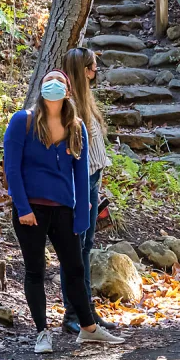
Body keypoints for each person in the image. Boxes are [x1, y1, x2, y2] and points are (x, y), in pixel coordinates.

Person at [2, 69, 125, 353]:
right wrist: (22, 207)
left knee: (75, 268)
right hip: (31, 210)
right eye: (48, 82)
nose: (53, 86)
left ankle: (88, 329)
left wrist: (82, 216)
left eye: (59, 82)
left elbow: (81, 175)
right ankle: (42, 333)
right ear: (41, 90)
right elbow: (12, 168)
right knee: (35, 270)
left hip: (64, 210)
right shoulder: (23, 121)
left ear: (68, 91)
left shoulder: (75, 126)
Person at [59, 47, 117, 335]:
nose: (96, 73)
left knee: (86, 247)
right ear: (83, 71)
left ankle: (87, 311)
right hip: (78, 186)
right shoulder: (67, 106)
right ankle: (73, 313)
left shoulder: (86, 101)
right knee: (75, 251)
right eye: (93, 68)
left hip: (93, 181)